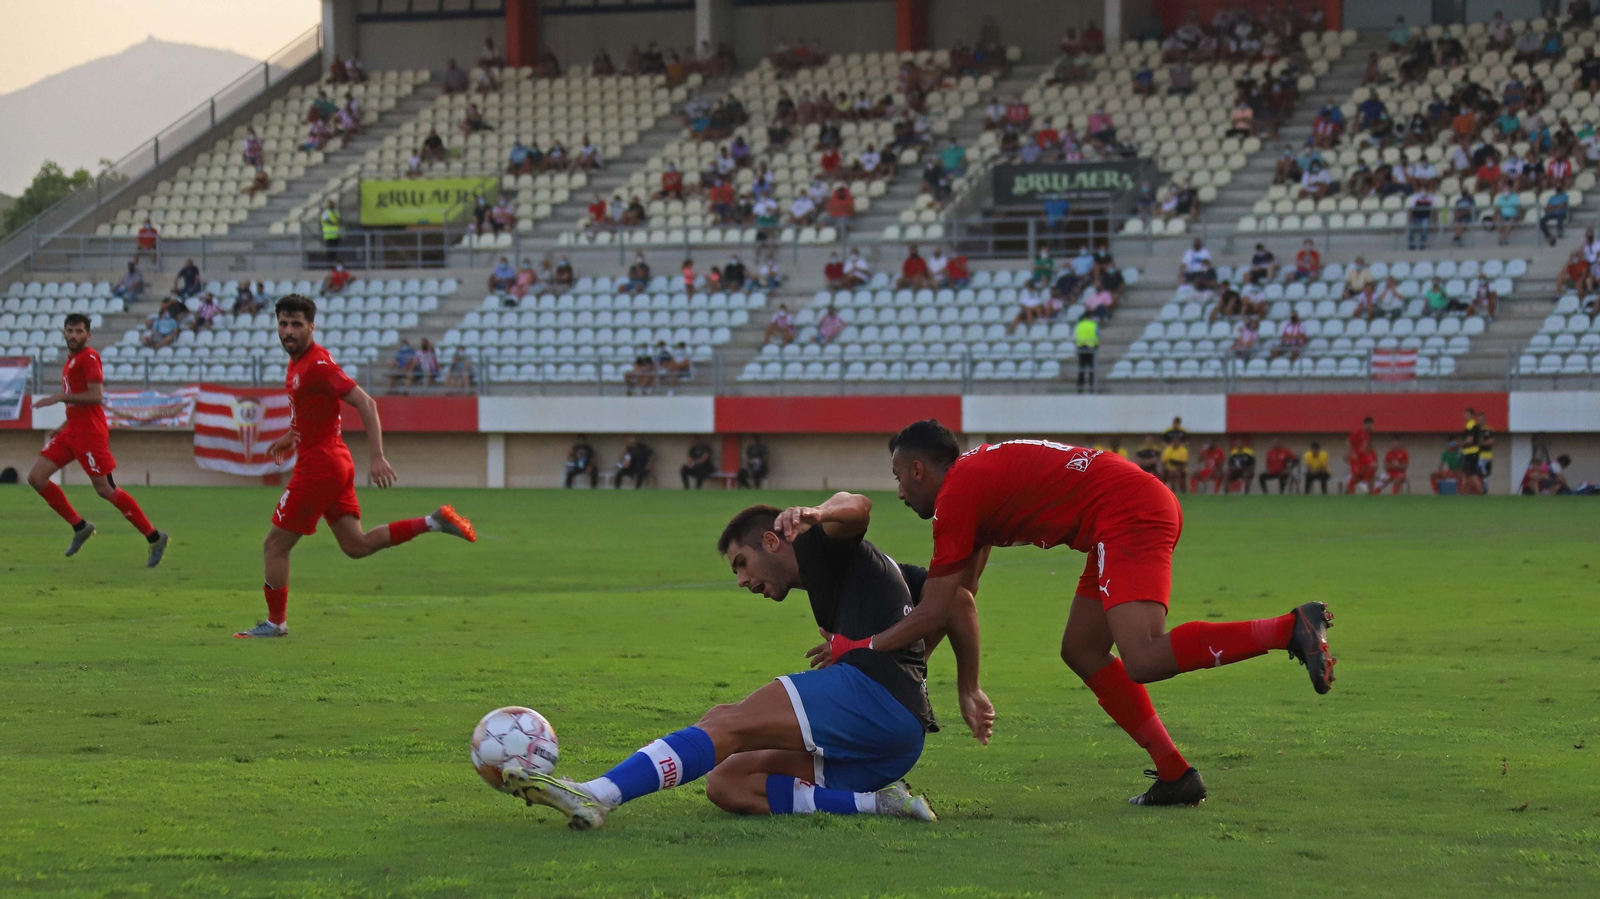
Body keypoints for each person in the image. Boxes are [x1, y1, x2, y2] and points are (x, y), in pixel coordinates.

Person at [828, 422, 1337, 807]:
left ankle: (1290, 628)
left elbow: (938, 606)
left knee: (1142, 656)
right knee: (1082, 649)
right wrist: (957, 683)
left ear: (919, 470)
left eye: (898, 477)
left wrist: (861, 651)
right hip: (1117, 513)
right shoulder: (971, 482)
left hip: (1127, 513)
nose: (898, 492)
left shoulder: (957, 496)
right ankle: (1175, 775)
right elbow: (960, 599)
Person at [503, 499, 940, 828]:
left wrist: (817, 511)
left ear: (772, 541)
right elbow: (950, 599)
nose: (742, 580)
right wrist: (883, 656)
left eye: (742, 563)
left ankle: (598, 795)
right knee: (729, 782)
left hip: (877, 704)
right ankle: (879, 803)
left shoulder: (821, 544)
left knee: (730, 721)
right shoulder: (851, 574)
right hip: (892, 747)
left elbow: (858, 507)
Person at [233, 296, 477, 638]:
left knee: (274, 545)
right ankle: (433, 521)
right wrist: (290, 437)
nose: (288, 331)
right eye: (283, 324)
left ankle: (276, 623)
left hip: (319, 467)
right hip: (334, 462)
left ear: (311, 327)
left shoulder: (317, 364)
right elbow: (312, 411)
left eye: (296, 325)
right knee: (356, 546)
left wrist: (377, 456)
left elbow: (365, 402)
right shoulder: (298, 364)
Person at [28, 314, 170, 566]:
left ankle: (154, 536)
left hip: (90, 434)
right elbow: (76, 400)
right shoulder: (71, 361)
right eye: (70, 330)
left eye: (79, 331)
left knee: (105, 489)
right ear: (64, 332)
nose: (74, 335)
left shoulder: (89, 357)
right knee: (36, 478)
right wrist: (63, 425)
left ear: (88, 335)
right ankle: (80, 526)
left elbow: (96, 396)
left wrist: (59, 397)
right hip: (72, 431)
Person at [1074, 315, 1097, 393]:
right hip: (1091, 348)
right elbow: (1097, 336)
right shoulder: (1093, 325)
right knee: (1092, 369)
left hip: (1081, 348)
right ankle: (1092, 388)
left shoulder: (1079, 325)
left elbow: (1077, 336)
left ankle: (1080, 388)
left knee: (1081, 369)